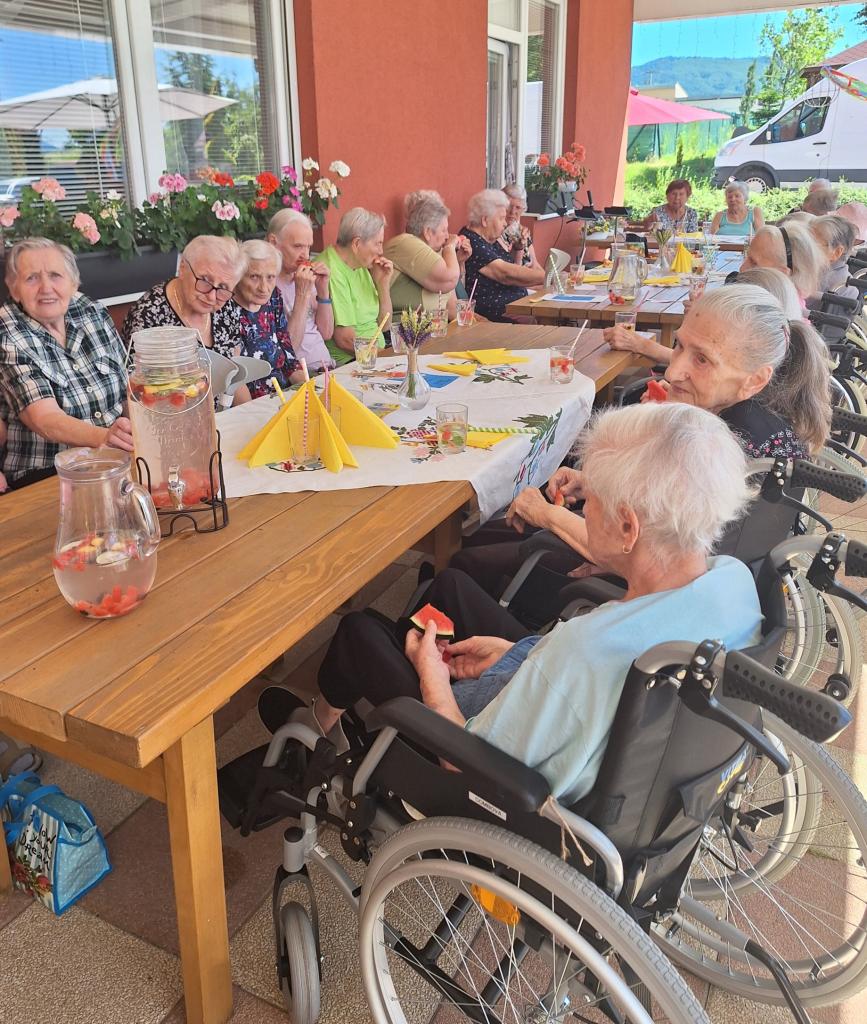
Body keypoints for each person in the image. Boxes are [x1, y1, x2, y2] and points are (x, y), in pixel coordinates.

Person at [261, 403, 761, 805]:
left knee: (358, 632)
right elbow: (569, 680)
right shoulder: (732, 582)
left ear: (629, 527)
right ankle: (378, 687)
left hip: (483, 777)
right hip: (589, 726)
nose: (583, 507)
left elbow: (466, 763)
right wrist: (516, 654)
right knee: (450, 588)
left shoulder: (582, 653)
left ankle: (319, 727)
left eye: (592, 499)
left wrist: (433, 681)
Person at [458, 284, 830, 597]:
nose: (674, 370)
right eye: (679, 346)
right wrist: (596, 483)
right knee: (489, 534)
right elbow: (665, 507)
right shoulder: (763, 425)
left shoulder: (720, 445)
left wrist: (547, 514)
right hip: (698, 592)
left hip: (638, 597)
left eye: (702, 360)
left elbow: (640, 551)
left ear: (755, 379)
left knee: (466, 564)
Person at [0, 238, 132, 489]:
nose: (46, 287)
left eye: (55, 275)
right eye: (32, 278)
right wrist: (106, 437)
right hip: (48, 471)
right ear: (14, 289)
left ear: (73, 283)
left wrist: (135, 433)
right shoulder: (7, 333)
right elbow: (44, 418)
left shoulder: (91, 311)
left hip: (115, 460)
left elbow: (128, 389)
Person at [233, 239, 305, 398]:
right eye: (254, 277)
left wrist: (310, 390)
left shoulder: (273, 297)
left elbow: (288, 358)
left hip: (283, 394)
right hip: (251, 403)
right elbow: (234, 380)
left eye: (271, 277)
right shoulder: (225, 309)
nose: (264, 288)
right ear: (238, 276)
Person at [460, 189, 545, 322]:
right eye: (501, 218)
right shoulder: (472, 242)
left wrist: (517, 248)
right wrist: (549, 277)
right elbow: (506, 274)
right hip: (497, 311)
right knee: (545, 315)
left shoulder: (488, 239)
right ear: (485, 220)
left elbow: (512, 266)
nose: (505, 223)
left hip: (514, 302)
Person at [267, 209, 335, 371]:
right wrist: (302, 294)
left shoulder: (304, 276)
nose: (305, 255)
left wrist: (323, 290)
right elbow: (288, 349)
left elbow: (326, 333)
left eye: (308, 247)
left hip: (327, 367)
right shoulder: (266, 285)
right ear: (273, 242)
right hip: (301, 375)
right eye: (297, 246)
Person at [385, 190, 471, 317]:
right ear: (428, 232)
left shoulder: (434, 252)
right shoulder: (405, 243)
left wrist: (475, 323)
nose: (447, 236)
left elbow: (451, 307)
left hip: (433, 326)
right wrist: (450, 247)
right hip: (404, 327)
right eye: (444, 230)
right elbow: (449, 278)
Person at [319, 208, 393, 355]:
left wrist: (382, 285)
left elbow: (384, 325)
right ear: (357, 244)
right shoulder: (331, 270)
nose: (381, 251)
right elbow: (345, 340)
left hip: (376, 353)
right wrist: (386, 357)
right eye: (378, 243)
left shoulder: (359, 263)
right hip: (353, 361)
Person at [740, 222, 826, 305]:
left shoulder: (772, 311)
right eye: (747, 257)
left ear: (782, 274)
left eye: (754, 263)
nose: (742, 268)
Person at [807, 214, 859, 305]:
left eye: (812, 243)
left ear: (836, 252)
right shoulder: (800, 266)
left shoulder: (844, 288)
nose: (803, 247)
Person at [497, 184, 543, 272]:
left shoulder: (521, 231)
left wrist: (553, 277)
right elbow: (510, 272)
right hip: (519, 278)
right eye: (509, 206)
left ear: (523, 209)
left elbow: (535, 265)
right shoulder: (495, 234)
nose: (512, 212)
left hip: (530, 277)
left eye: (518, 207)